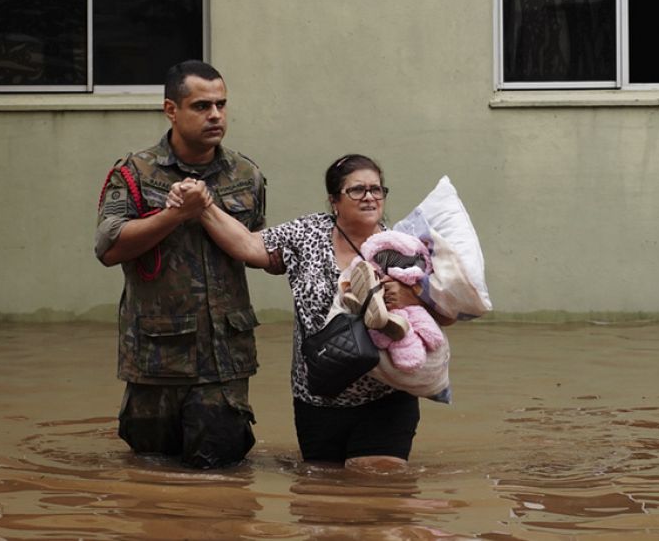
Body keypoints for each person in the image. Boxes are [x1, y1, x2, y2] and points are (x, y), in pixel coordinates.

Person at [171, 154, 455, 470]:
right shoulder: (307, 233)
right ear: (334, 200)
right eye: (357, 190)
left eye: (376, 189)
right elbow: (250, 247)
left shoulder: (402, 246)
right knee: (323, 499)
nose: (370, 197)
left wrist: (410, 299)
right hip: (317, 397)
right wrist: (204, 207)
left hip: (385, 398)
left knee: (379, 487)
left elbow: (449, 312)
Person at [94, 60, 266, 469]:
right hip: (156, 358)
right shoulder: (135, 173)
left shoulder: (245, 174)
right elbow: (108, 247)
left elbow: (259, 248)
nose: (216, 116)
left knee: (222, 481)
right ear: (171, 109)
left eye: (221, 105)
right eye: (202, 106)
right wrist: (174, 214)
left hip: (224, 361)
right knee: (149, 478)